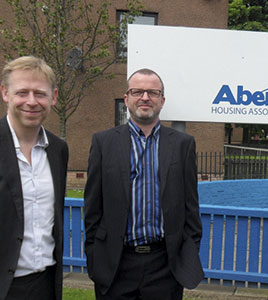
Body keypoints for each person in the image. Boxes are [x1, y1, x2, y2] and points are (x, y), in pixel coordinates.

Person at [84, 68, 204, 300]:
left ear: (162, 100)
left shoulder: (183, 144)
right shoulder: (103, 142)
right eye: (137, 91)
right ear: (127, 98)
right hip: (116, 264)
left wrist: (187, 253)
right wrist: (94, 256)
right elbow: (92, 209)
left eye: (153, 92)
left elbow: (191, 209)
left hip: (165, 266)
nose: (145, 97)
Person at [0, 56, 69, 300]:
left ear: (53, 97)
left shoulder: (58, 149)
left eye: (40, 94)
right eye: (22, 92)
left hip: (45, 285)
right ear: (5, 93)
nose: (31, 102)